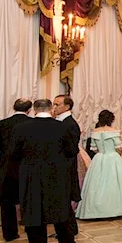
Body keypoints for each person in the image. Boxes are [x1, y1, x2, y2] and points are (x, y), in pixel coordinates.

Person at [9, 99, 81, 243]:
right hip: (57, 177)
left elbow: (13, 153)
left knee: (34, 216)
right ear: (50, 109)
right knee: (61, 214)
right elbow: (72, 151)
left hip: (31, 177)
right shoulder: (63, 127)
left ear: (34, 110)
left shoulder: (20, 128)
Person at [76, 110, 122, 220]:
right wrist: (116, 155)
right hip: (112, 157)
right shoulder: (114, 131)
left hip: (99, 157)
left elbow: (94, 148)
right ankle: (114, 209)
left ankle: (96, 210)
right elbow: (119, 148)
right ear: (111, 119)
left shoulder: (95, 131)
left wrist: (102, 154)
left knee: (96, 184)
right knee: (114, 183)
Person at [0, 98, 32, 241]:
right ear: (29, 110)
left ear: (13, 107)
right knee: (30, 199)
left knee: (6, 202)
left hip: (7, 168)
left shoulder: (0, 125)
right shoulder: (33, 124)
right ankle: (31, 228)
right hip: (29, 168)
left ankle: (9, 233)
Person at [54, 94, 82, 233]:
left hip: (65, 168)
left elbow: (71, 149)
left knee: (64, 201)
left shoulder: (70, 124)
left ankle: (70, 230)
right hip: (60, 168)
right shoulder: (60, 122)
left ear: (67, 106)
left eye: (57, 104)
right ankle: (68, 229)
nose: (54, 107)